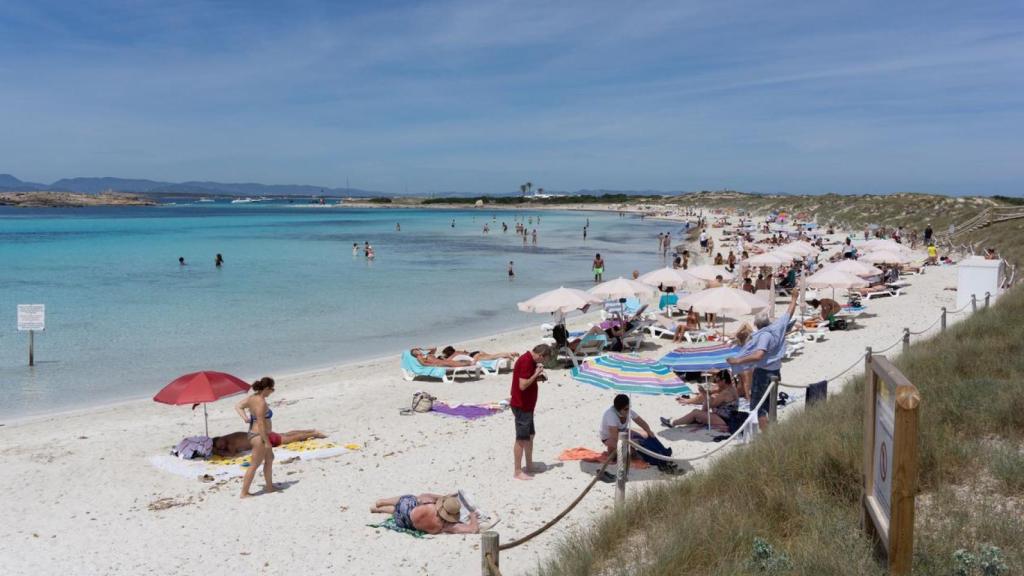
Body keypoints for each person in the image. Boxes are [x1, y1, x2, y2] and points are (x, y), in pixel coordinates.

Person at [726, 291, 799, 431]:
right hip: (775, 371)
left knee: (758, 406)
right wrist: (794, 298)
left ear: (757, 325)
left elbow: (759, 355)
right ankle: (772, 431)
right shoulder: (777, 327)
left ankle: (766, 437)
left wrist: (738, 361)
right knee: (770, 404)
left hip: (764, 373)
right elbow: (788, 313)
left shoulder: (764, 336)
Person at [510, 344, 551, 480]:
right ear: (541, 355)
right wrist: (536, 374)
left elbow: (527, 380)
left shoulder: (530, 361)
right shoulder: (526, 361)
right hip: (521, 406)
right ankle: (517, 471)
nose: (542, 362)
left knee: (530, 435)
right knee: (521, 439)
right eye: (544, 359)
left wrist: (538, 377)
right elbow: (522, 385)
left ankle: (529, 465)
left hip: (528, 406)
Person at [236, 377, 278, 498]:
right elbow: (260, 423)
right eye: (272, 389)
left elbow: (238, 406)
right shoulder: (261, 402)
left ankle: (269, 487)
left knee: (269, 459)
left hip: (259, 434)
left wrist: (245, 418)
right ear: (266, 388)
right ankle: (244, 493)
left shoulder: (252, 398)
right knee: (255, 464)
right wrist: (267, 442)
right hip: (259, 436)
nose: (272, 392)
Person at [660, 371, 739, 432]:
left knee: (695, 412)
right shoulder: (731, 388)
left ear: (724, 381)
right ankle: (699, 418)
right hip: (729, 416)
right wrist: (707, 391)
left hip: (725, 420)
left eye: (718, 381)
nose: (717, 383)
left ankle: (672, 423)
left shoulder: (726, 393)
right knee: (711, 398)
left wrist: (704, 393)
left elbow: (710, 404)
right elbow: (715, 391)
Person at [370, 493, 479, 535]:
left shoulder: (430, 504)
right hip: (404, 523)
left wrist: (443, 497)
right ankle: (380, 510)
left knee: (410, 499)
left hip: (405, 510)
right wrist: (473, 515)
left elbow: (422, 496)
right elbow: (473, 529)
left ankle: (383, 502)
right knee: (404, 513)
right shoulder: (447, 526)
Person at [212, 429, 326, 457]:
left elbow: (231, 454)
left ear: (220, 438)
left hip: (265, 439)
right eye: (220, 447)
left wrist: (217, 452)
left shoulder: (231, 442)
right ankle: (310, 430)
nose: (222, 447)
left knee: (291, 439)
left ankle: (314, 434)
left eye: (221, 445)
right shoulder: (229, 436)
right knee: (285, 434)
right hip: (263, 434)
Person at [440, 346, 518, 362]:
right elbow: (466, 352)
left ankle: (507, 354)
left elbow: (448, 361)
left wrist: (444, 358)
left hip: (474, 356)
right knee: (492, 356)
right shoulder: (458, 351)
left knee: (492, 357)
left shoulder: (455, 354)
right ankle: (510, 354)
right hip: (475, 352)